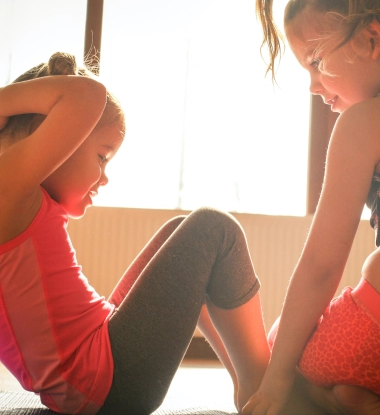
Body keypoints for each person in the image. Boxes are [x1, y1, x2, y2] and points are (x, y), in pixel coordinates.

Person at [0, 51, 281, 415]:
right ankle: (267, 386)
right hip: (108, 382)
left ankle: (251, 386)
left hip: (95, 372)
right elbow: (88, 95)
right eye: (102, 157)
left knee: (178, 232)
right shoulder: (8, 190)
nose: (104, 178)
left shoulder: (17, 199)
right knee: (214, 229)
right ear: (54, 139)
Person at [242, 0, 380, 414]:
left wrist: (276, 381)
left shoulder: (364, 123)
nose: (312, 86)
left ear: (371, 39)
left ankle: (338, 399)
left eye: (317, 62)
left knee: (277, 353)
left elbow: (322, 264)